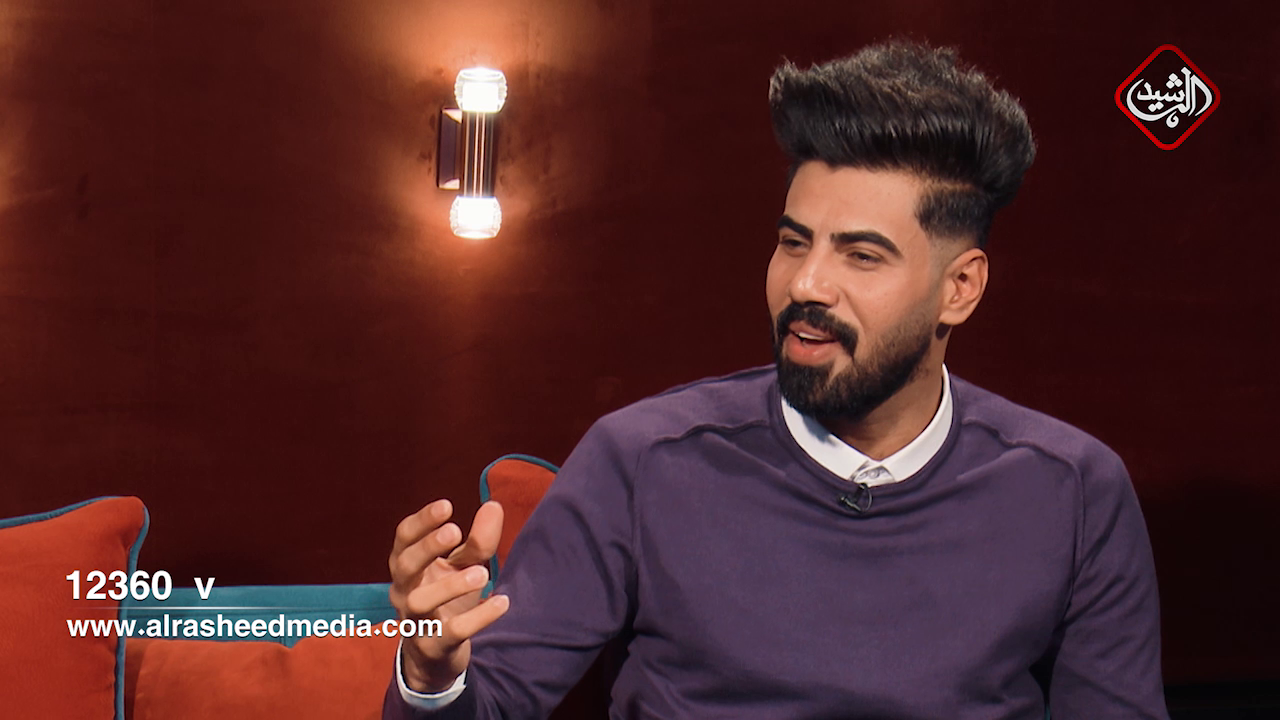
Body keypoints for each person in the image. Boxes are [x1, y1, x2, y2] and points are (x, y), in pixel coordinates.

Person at [382, 40, 1169, 719]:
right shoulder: (643, 460)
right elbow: (490, 698)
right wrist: (429, 673)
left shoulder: (1073, 492)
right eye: (795, 243)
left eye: (861, 256)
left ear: (959, 288)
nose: (806, 284)